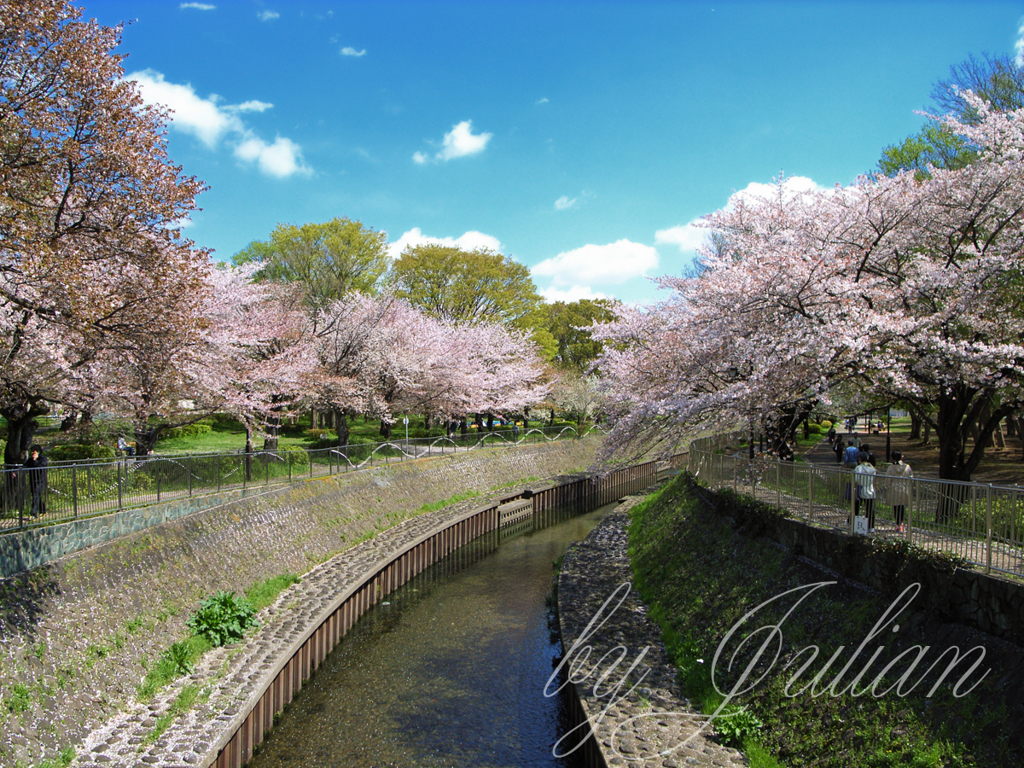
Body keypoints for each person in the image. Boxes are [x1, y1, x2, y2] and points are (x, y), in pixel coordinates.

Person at [886, 450, 913, 532]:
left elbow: (887, 480)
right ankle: (902, 523)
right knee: (902, 507)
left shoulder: (891, 467)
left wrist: (888, 486)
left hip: (894, 489)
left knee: (896, 507)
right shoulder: (907, 467)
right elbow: (911, 478)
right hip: (904, 488)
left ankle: (897, 524)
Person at [854, 451, 877, 532]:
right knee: (870, 510)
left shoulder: (858, 468)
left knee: (856, 508)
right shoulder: (872, 469)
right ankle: (871, 527)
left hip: (860, 490)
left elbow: (856, 480)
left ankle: (854, 524)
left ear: (860, 459)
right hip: (870, 490)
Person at [22, 444, 48, 518]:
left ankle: (33, 513)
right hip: (33, 480)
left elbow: (40, 468)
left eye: (34, 452)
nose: (32, 454)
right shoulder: (30, 460)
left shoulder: (43, 459)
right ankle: (43, 510)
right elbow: (24, 466)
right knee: (36, 496)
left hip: (40, 481)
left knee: (36, 496)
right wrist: (16, 472)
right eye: (32, 452)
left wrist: (35, 461)